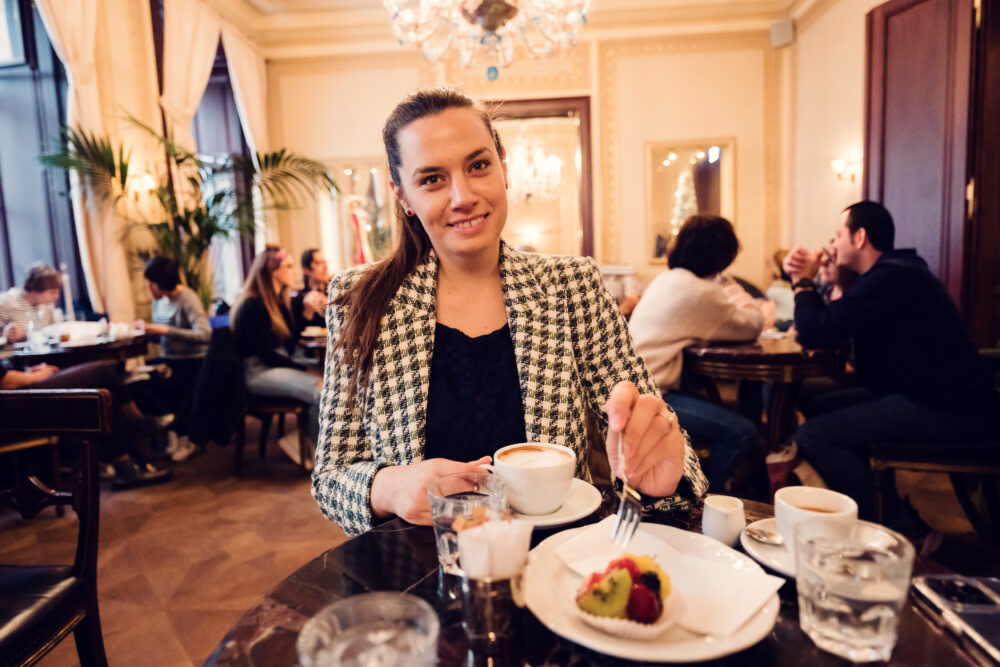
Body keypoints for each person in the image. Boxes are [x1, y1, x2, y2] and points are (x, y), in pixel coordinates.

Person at [312, 87, 708, 537]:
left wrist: (659, 482)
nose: (462, 196)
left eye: (478, 165)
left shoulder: (572, 287)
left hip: (553, 563)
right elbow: (331, 475)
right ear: (403, 196)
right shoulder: (360, 299)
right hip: (418, 568)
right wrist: (389, 487)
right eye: (432, 179)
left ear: (504, 168)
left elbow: (651, 436)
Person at [783, 200, 1000, 526]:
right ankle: (869, 499)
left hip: (951, 409)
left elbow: (816, 332)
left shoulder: (894, 277)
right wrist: (810, 281)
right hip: (925, 394)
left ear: (860, 237)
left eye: (838, 234)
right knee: (813, 400)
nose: (832, 244)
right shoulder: (892, 273)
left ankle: (902, 529)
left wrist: (802, 282)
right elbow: (831, 324)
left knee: (814, 435)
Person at [629, 215, 764, 492]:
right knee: (742, 430)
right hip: (653, 395)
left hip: (636, 388)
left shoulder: (665, 279)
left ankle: (706, 480)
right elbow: (752, 325)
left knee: (715, 404)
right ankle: (708, 498)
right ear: (723, 257)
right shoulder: (702, 292)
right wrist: (730, 283)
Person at [0, 361, 172, 489]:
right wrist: (37, 376)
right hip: (9, 408)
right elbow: (4, 381)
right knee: (101, 372)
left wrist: (26, 373)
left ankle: (125, 469)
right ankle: (139, 423)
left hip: (11, 399)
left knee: (104, 396)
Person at [231, 246, 321, 466]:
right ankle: (318, 455)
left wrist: (307, 314)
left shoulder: (279, 302)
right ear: (272, 271)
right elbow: (266, 355)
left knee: (335, 378)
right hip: (258, 371)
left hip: (273, 364)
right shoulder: (253, 305)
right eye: (288, 266)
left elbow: (289, 345)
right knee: (322, 391)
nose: (293, 271)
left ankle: (310, 443)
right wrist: (305, 369)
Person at [133, 255, 210, 461]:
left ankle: (183, 434)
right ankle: (172, 427)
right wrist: (149, 332)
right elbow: (165, 339)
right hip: (170, 359)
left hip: (192, 361)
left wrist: (166, 330)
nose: (149, 288)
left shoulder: (188, 298)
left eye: (151, 283)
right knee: (134, 382)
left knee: (163, 383)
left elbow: (205, 335)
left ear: (161, 282)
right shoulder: (159, 301)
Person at [0, 263, 63, 342]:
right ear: (34, 289)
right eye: (52, 292)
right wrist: (5, 335)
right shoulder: (6, 302)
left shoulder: (47, 305)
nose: (57, 296)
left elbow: (52, 333)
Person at [290, 248, 331, 333]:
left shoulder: (334, 294)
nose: (326, 267)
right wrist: (308, 312)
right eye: (319, 263)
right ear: (306, 270)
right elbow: (295, 338)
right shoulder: (298, 300)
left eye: (325, 262)